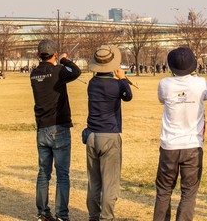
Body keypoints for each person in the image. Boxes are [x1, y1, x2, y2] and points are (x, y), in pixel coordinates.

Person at [152, 47, 207, 221]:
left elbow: (162, 99)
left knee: (164, 190)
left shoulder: (165, 83)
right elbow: (206, 96)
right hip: (193, 145)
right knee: (189, 192)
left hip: (169, 145)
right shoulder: (201, 83)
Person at [30, 39, 82, 221]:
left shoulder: (34, 73)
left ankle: (43, 213)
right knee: (62, 175)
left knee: (44, 173)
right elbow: (76, 72)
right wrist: (64, 60)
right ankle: (62, 215)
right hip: (59, 127)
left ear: (38, 55)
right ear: (53, 54)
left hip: (42, 129)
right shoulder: (58, 71)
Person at [85, 45, 133, 221]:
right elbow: (128, 96)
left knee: (94, 182)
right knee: (110, 183)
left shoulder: (92, 83)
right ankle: (106, 218)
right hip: (109, 135)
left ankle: (93, 216)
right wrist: (123, 79)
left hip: (92, 136)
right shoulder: (116, 84)